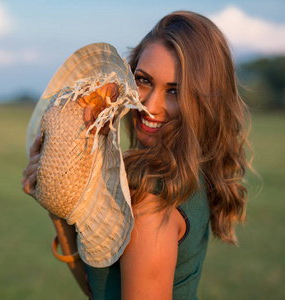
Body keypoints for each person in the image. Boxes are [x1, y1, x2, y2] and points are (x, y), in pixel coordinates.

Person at [22, 10, 253, 299]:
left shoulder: (150, 205)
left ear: (204, 100)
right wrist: (59, 202)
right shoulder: (190, 169)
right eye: (143, 81)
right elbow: (106, 291)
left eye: (175, 92)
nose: (149, 105)